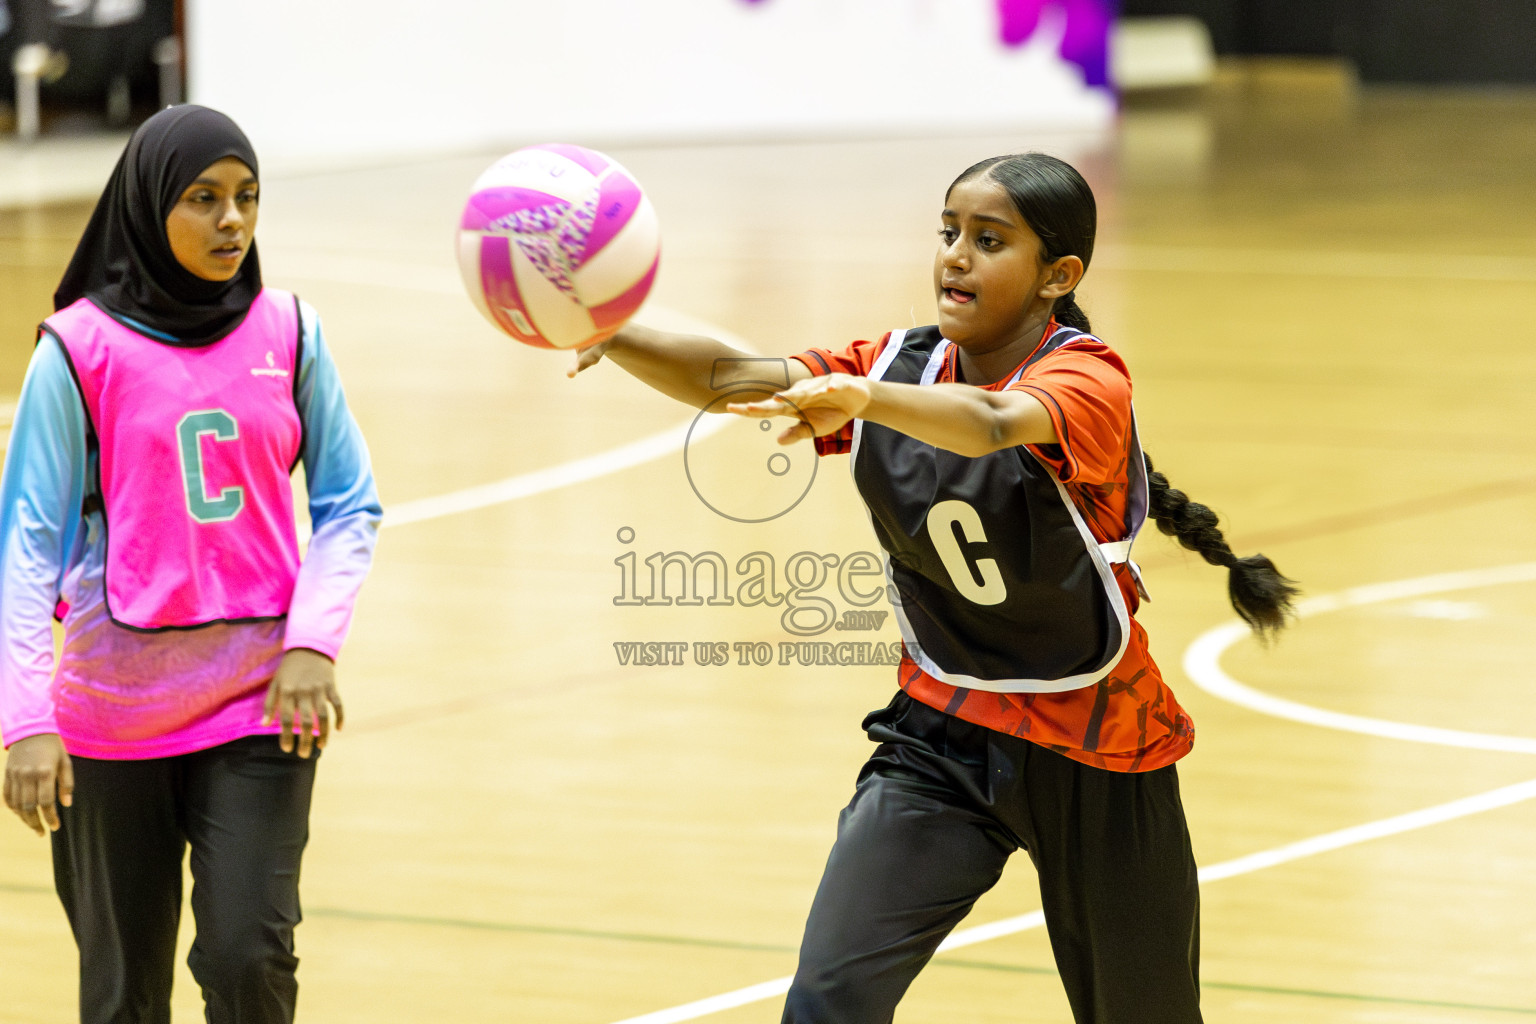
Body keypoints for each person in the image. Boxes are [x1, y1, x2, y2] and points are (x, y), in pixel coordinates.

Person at [570, 152, 1296, 1023]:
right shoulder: (896, 367)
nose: (955, 255)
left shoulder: (1088, 380)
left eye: (989, 241)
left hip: (1096, 747)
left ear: (1056, 277)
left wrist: (862, 400)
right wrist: (611, 330)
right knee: (829, 999)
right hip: (941, 736)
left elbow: (992, 424)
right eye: (948, 233)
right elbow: (733, 378)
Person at [0, 104, 381, 1023]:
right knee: (124, 995)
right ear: (146, 206)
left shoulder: (291, 332)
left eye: (247, 197)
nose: (232, 222)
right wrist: (22, 720)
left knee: (250, 957)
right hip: (109, 718)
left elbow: (349, 505)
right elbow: (24, 550)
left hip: (261, 704)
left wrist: (313, 645)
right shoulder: (79, 351)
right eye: (203, 199)